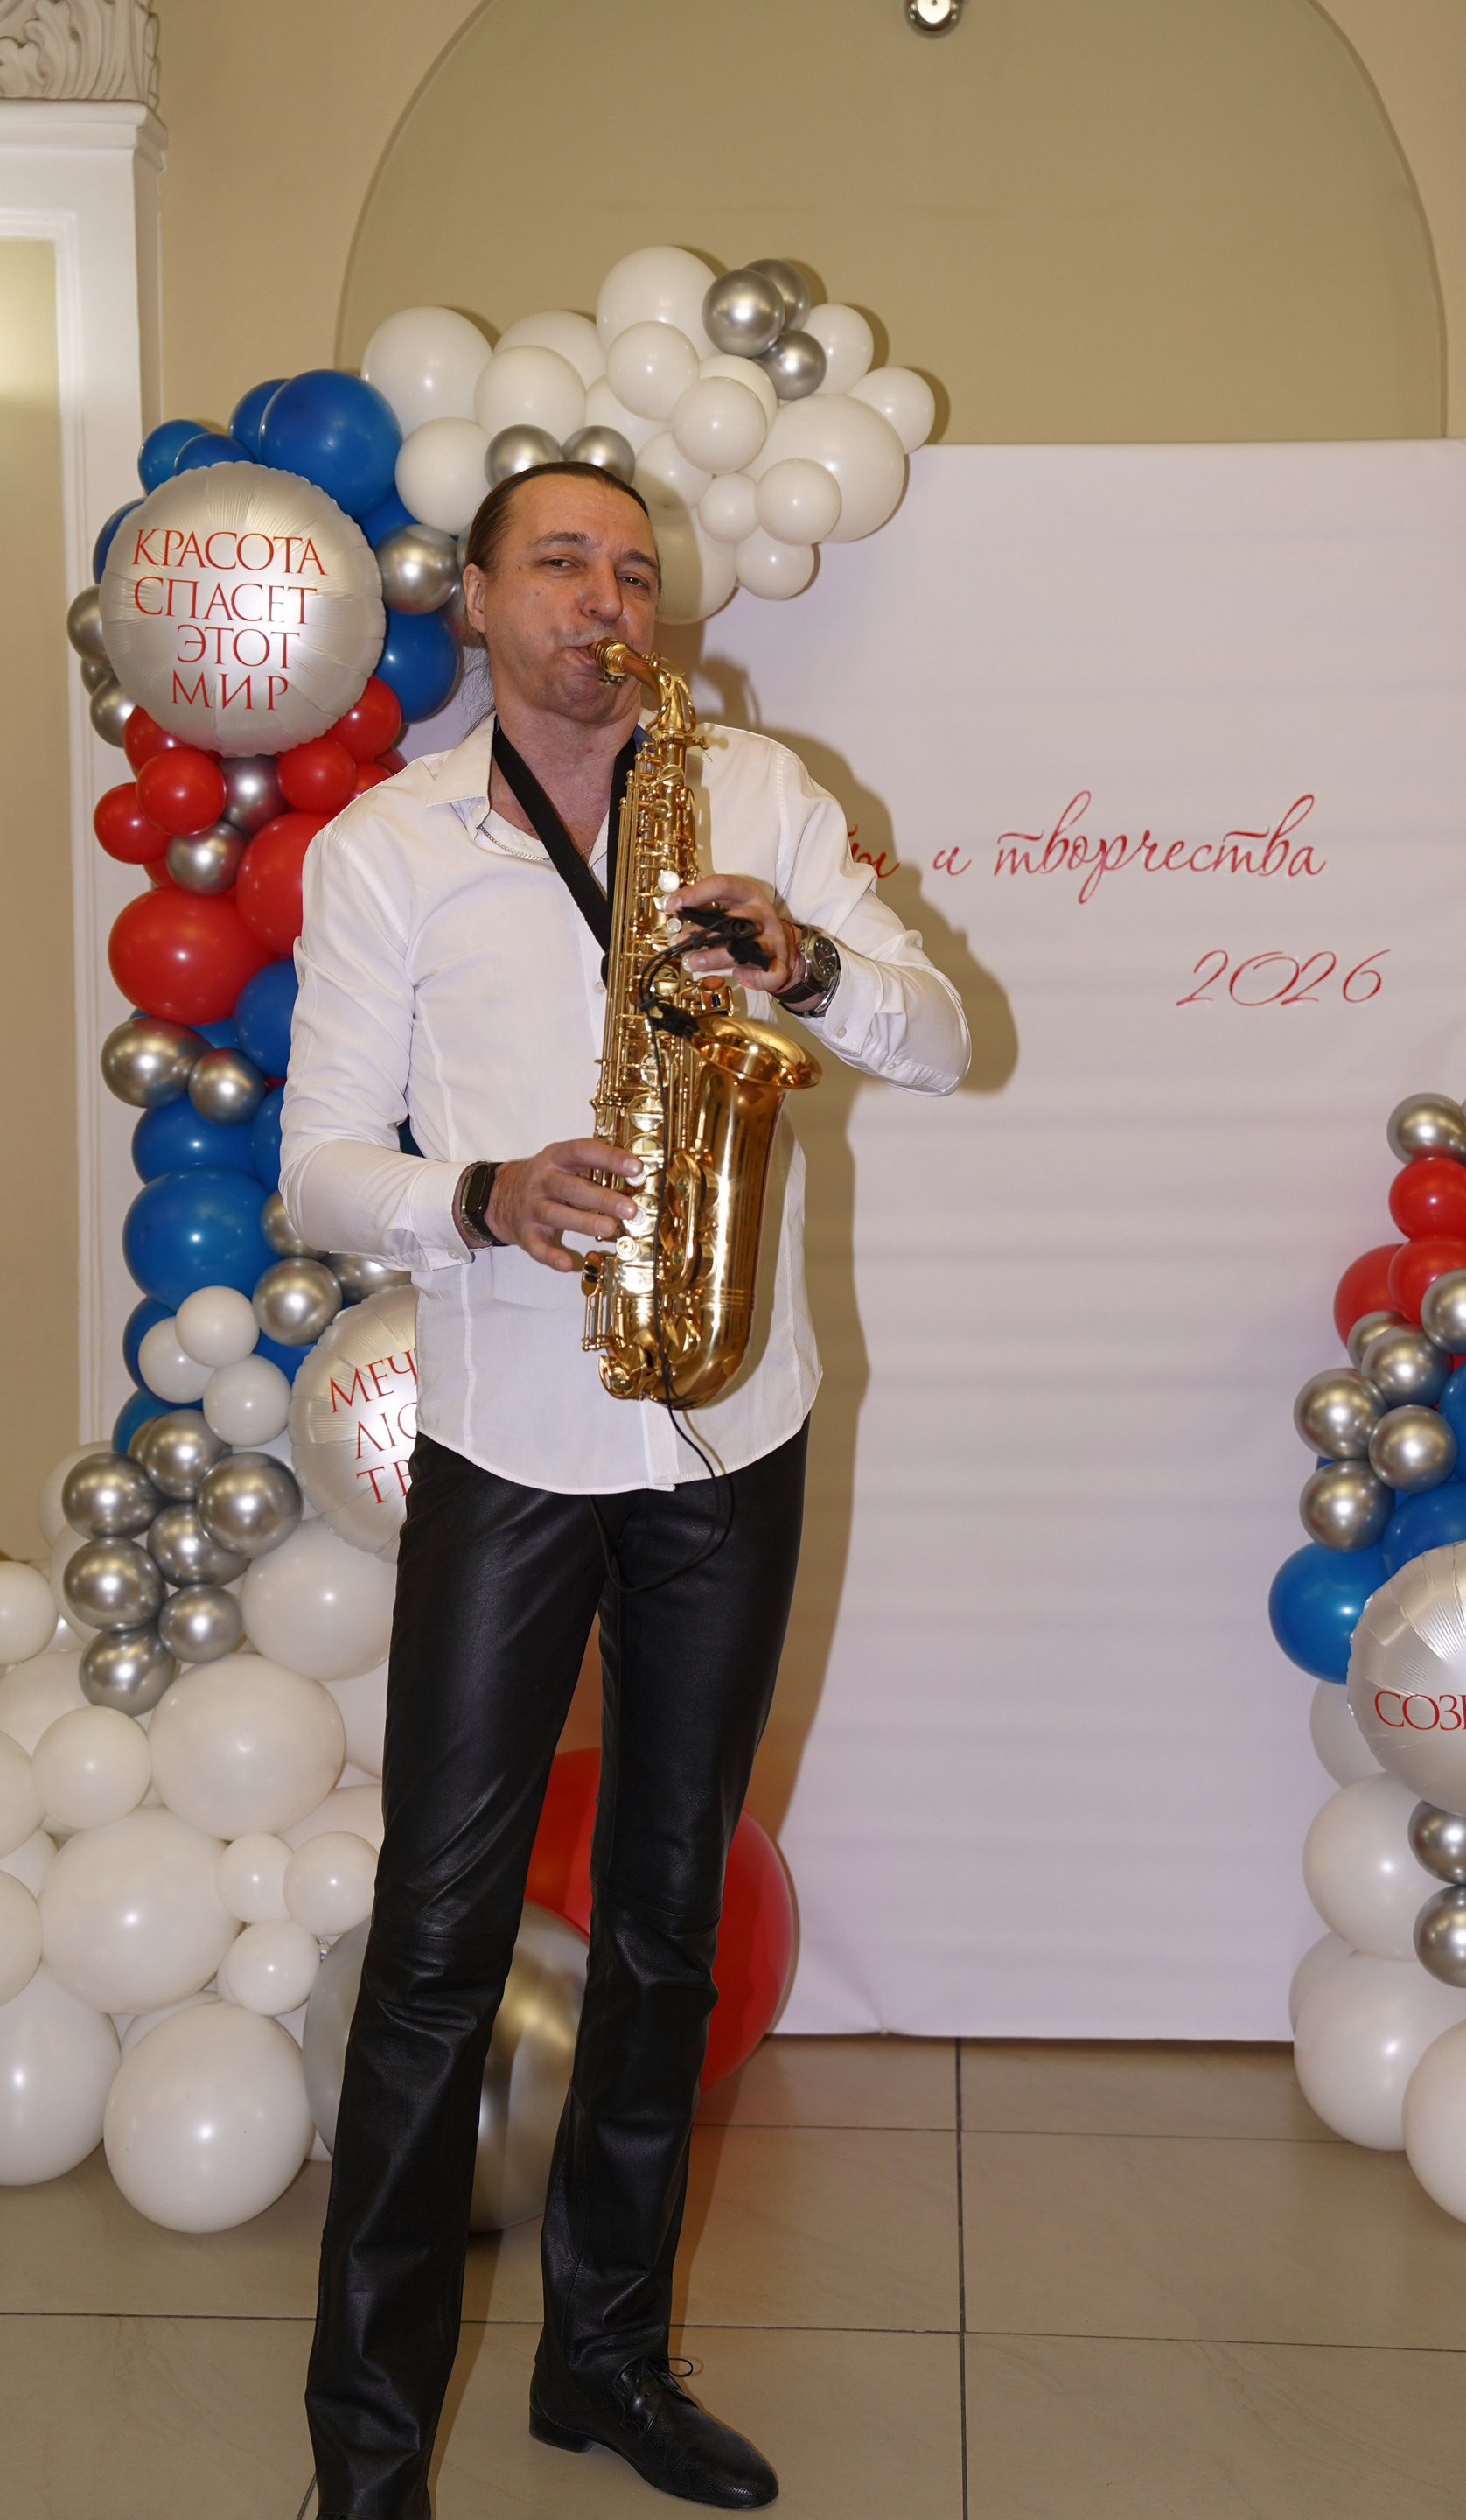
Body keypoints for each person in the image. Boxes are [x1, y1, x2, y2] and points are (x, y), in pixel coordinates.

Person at [283, 459, 969, 2518]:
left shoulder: (755, 794)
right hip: (510, 1438)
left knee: (668, 1928)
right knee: (437, 1940)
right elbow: (322, 1168)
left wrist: (808, 967)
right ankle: (368, 2450)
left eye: (635, 569)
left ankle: (601, 2363)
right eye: (563, 562)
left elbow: (944, 1039)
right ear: (480, 604)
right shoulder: (391, 847)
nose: (606, 595)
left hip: (732, 1425)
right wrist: (482, 1196)